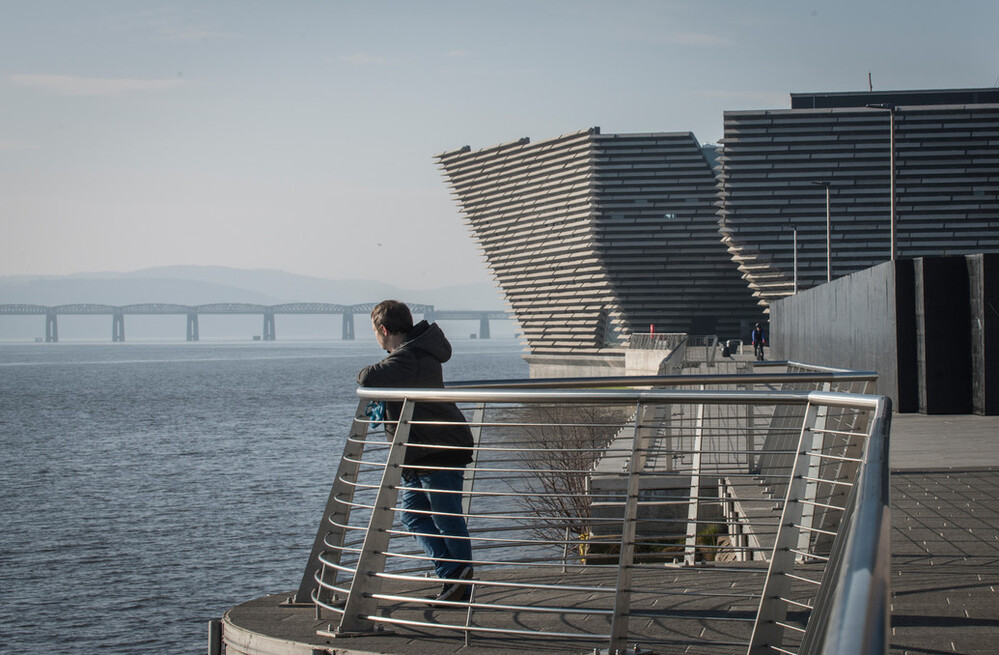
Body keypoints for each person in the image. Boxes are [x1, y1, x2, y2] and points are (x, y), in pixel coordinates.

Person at [357, 300, 475, 603]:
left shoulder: (409, 356)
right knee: (412, 515)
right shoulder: (415, 352)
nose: (375, 337)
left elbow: (368, 376)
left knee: (447, 518)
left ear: (384, 330)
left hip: (437, 448)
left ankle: (460, 587)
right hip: (422, 451)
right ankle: (453, 575)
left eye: (374, 331)